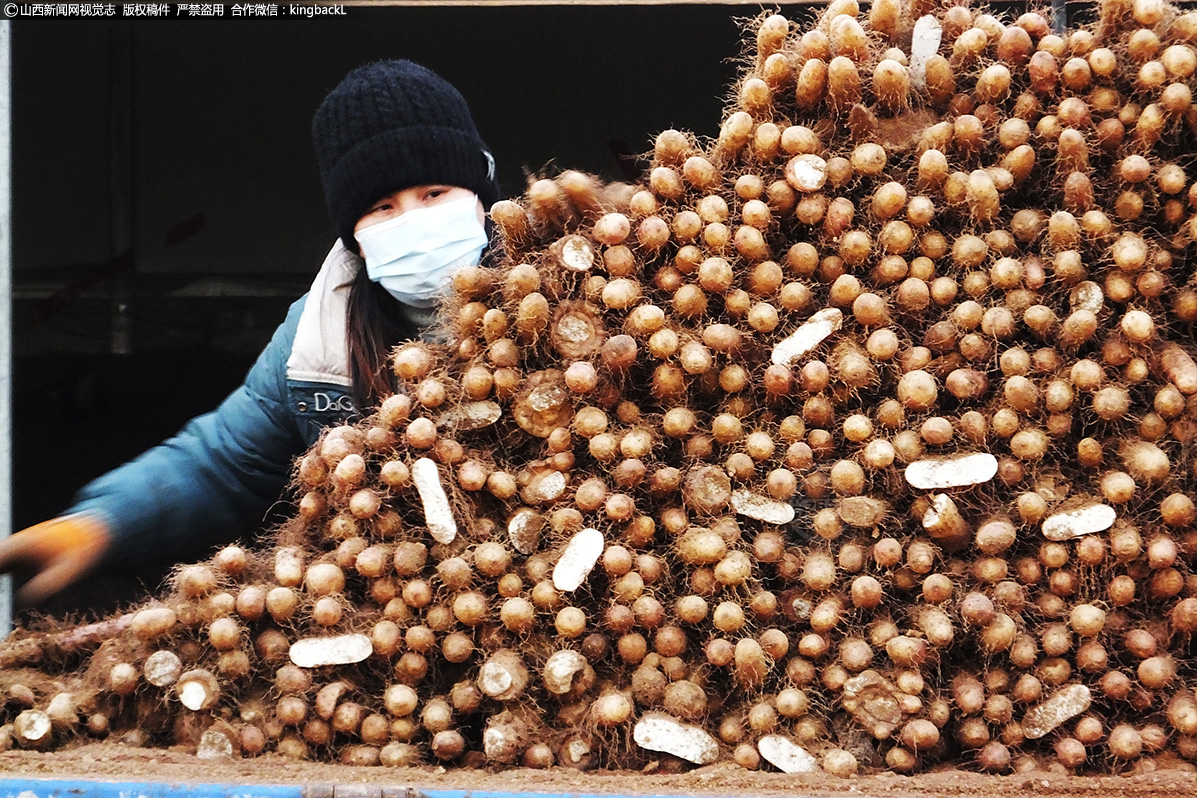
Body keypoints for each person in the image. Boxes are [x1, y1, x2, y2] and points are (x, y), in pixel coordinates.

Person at [0, 59, 500, 609]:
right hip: (399, 621)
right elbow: (223, 461)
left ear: (479, 194)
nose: (412, 222)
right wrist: (102, 523)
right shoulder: (316, 337)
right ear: (353, 236)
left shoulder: (566, 293)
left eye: (435, 193)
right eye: (382, 207)